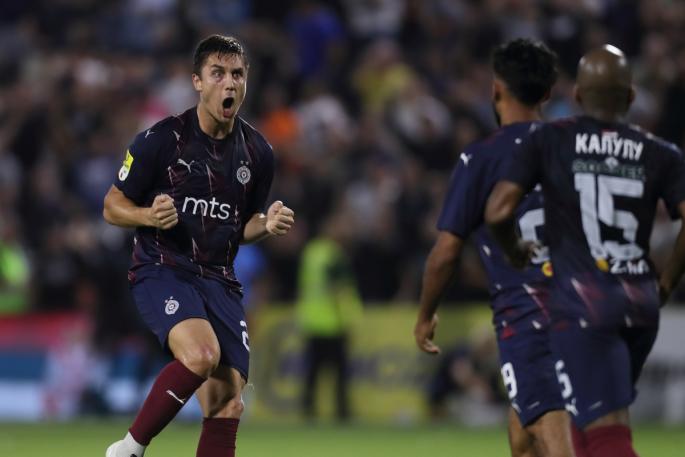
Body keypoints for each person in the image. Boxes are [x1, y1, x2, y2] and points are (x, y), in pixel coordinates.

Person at [485, 44, 685, 457]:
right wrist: (666, 281)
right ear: (631, 97)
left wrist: (516, 250)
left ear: (575, 94)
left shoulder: (552, 141)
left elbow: (499, 210)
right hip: (639, 304)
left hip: (582, 304)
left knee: (606, 435)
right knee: (590, 421)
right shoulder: (661, 153)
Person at [102, 35, 295, 457]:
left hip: (220, 281)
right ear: (197, 81)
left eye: (238, 75)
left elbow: (241, 225)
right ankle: (129, 449)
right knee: (202, 355)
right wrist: (147, 216)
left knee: (227, 402)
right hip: (164, 267)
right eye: (218, 73)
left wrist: (267, 223)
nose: (230, 84)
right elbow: (113, 206)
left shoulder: (258, 153)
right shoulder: (160, 140)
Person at [414, 39, 575, 457]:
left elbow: (447, 251)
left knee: (549, 430)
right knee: (523, 438)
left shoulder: (483, 158)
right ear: (547, 93)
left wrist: (426, 314)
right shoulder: (572, 147)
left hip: (530, 312)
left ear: (496, 89)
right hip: (587, 303)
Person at [296, 205, 362, 421]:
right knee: (340, 373)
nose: (346, 230)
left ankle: (308, 411)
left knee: (312, 373)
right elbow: (338, 290)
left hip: (312, 321)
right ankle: (342, 414)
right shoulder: (334, 255)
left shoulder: (311, 252)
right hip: (333, 322)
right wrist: (349, 319)